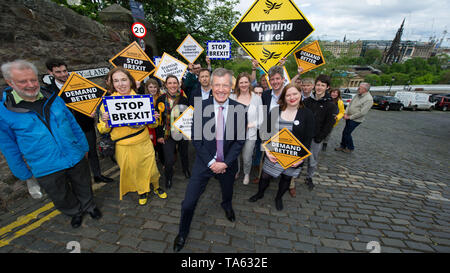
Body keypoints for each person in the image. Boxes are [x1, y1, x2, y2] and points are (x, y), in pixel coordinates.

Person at [0, 60, 101, 228]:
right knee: (60, 194)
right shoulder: (4, 111)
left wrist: (84, 147)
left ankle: (89, 206)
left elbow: (73, 124)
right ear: (10, 83)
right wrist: (23, 173)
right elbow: (8, 146)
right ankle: (74, 212)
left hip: (74, 155)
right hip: (45, 164)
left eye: (33, 80)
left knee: (84, 184)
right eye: (23, 81)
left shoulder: (53, 98)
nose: (31, 85)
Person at [173, 68, 247, 252]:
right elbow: (197, 140)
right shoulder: (200, 107)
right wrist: (211, 163)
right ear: (211, 86)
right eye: (217, 85)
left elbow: (239, 141)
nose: (221, 89)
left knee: (228, 190)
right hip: (204, 162)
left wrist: (225, 163)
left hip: (228, 163)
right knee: (188, 202)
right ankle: (182, 232)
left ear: (231, 87)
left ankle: (227, 206)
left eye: (225, 85)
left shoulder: (240, 109)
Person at [98, 67, 166, 205]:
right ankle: (142, 191)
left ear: (130, 81)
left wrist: (154, 118)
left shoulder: (143, 100)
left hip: (143, 142)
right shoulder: (107, 103)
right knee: (135, 172)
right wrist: (106, 122)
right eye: (116, 81)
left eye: (124, 79)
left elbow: (152, 126)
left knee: (151, 169)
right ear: (111, 84)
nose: (121, 84)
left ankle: (156, 187)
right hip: (124, 147)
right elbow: (102, 130)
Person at [45, 58, 113, 184]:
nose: (63, 74)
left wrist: (93, 111)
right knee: (76, 156)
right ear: (50, 73)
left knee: (92, 151)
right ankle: (82, 181)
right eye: (58, 72)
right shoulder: (49, 91)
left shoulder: (80, 84)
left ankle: (97, 175)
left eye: (65, 71)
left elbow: (93, 98)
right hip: (66, 130)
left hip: (85, 126)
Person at [248, 84, 314, 210]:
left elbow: (308, 138)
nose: (292, 97)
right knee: (265, 176)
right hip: (273, 153)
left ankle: (278, 198)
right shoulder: (275, 111)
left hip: (294, 155)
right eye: (288, 95)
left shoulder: (307, 114)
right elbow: (266, 133)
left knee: (286, 178)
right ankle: (260, 193)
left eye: (295, 94)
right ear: (284, 97)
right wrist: (267, 151)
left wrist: (301, 158)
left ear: (300, 94)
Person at [302, 74, 337, 191]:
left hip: (316, 137)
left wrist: (320, 137)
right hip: (304, 135)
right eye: (318, 85)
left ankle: (309, 177)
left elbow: (329, 124)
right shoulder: (307, 101)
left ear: (327, 87)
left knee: (312, 159)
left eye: (322, 85)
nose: (319, 87)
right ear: (314, 86)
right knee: (300, 156)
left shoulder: (331, 105)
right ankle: (295, 173)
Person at [156, 75, 190, 189]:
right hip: (167, 134)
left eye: (174, 83)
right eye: (169, 83)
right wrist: (159, 135)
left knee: (184, 154)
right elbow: (158, 120)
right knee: (169, 159)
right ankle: (168, 177)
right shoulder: (160, 100)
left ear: (178, 84)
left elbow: (189, 117)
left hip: (181, 133)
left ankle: (186, 170)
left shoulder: (184, 99)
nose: (172, 85)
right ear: (165, 85)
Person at [230, 72, 263, 185]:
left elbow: (261, 118)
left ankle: (247, 173)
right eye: (241, 82)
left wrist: (251, 124)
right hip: (235, 133)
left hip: (250, 134)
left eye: (246, 82)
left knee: (247, 156)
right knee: (235, 155)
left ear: (250, 83)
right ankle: (236, 171)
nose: (243, 84)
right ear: (238, 84)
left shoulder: (257, 98)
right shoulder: (232, 97)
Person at [335, 82, 373, 153]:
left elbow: (362, 112)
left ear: (365, 90)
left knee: (347, 133)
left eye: (360, 88)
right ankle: (343, 146)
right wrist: (345, 113)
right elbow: (349, 105)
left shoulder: (369, 99)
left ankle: (350, 147)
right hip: (348, 116)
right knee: (345, 132)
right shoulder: (357, 95)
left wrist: (350, 117)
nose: (358, 88)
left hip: (356, 119)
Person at [144, 78, 165, 165]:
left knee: (161, 145)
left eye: (155, 87)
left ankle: (163, 161)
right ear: (147, 88)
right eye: (150, 87)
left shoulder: (162, 96)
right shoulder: (144, 99)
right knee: (152, 144)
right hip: (150, 127)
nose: (153, 89)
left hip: (161, 125)